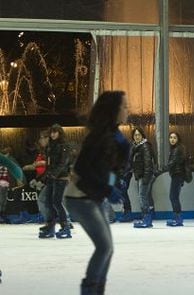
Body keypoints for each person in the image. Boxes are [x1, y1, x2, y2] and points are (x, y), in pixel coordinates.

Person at [64, 91, 130, 294]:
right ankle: (90, 290)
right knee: (104, 247)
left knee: (108, 248)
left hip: (94, 196)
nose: (128, 110)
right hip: (80, 197)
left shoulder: (116, 138)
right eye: (124, 106)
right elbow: (82, 169)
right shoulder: (98, 137)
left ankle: (96, 289)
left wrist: (112, 183)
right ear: (114, 110)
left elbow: (112, 171)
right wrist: (107, 189)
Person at [38, 124, 72, 239]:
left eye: (55, 132)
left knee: (57, 202)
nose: (53, 134)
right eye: (51, 132)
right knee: (48, 202)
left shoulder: (64, 146)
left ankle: (65, 226)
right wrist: (44, 177)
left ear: (60, 133)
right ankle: (50, 226)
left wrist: (53, 175)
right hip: (52, 178)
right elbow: (49, 164)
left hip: (61, 178)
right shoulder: (50, 146)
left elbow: (63, 163)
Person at [132, 127, 156, 228]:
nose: (137, 137)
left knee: (143, 197)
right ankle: (145, 218)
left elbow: (148, 163)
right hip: (140, 175)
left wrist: (146, 178)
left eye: (138, 135)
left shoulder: (145, 146)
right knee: (142, 197)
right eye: (135, 135)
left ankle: (147, 219)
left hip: (144, 176)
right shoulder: (137, 147)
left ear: (142, 136)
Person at [162, 132, 186, 227]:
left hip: (177, 175)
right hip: (177, 175)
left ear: (178, 139)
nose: (172, 139)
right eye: (171, 137)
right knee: (174, 196)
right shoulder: (175, 149)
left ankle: (178, 218)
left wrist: (160, 170)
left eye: (174, 138)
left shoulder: (177, 149)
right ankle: (176, 217)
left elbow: (172, 163)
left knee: (173, 196)